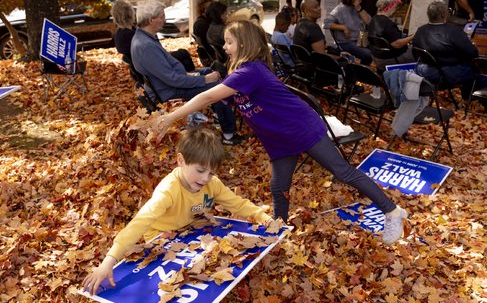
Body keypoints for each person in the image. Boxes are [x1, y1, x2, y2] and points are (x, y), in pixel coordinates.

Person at [156, 20, 409, 244]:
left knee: (342, 171)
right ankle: (280, 229)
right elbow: (217, 98)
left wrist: (171, 117)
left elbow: (210, 95)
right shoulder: (238, 74)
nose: (225, 47)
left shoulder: (250, 71)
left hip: (301, 127)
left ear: (244, 44)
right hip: (279, 138)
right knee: (278, 185)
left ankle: (392, 211)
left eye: (229, 42)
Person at [82, 127, 273, 295]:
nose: (206, 178)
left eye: (211, 173)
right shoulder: (168, 191)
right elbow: (140, 222)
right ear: (181, 160)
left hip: (191, 232)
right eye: (200, 171)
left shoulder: (212, 184)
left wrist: (263, 217)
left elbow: (237, 204)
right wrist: (109, 261)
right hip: (162, 236)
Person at [131, 0, 243, 145]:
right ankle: (229, 135)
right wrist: (204, 80)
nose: (164, 19)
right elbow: (173, 80)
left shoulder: (145, 37)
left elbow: (167, 71)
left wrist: (194, 75)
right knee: (218, 88)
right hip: (169, 91)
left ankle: (218, 114)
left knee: (209, 71)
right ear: (152, 19)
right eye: (162, 16)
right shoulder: (146, 46)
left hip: (167, 83)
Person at [412, 0, 479, 98]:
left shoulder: (420, 30)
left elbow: (415, 52)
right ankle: (476, 104)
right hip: (442, 74)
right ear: (444, 15)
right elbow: (472, 53)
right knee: (477, 73)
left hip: (421, 70)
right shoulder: (453, 31)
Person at [112, 0, 195, 73]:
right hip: (151, 63)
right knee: (183, 53)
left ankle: (190, 76)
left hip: (148, 61)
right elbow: (148, 50)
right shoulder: (128, 35)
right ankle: (190, 79)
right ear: (130, 13)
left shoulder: (122, 33)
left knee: (182, 54)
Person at [324, 0, 373, 65]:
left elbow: (369, 22)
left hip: (361, 37)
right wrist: (343, 27)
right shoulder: (339, 9)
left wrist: (358, 8)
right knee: (368, 54)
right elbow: (326, 23)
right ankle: (360, 71)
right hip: (346, 41)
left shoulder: (357, 8)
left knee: (377, 52)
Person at [368, 0, 415, 71]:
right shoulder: (387, 23)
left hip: (377, 57)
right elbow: (396, 44)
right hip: (390, 58)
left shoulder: (374, 19)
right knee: (420, 56)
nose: (396, 10)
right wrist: (412, 37)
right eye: (395, 7)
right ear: (390, 6)